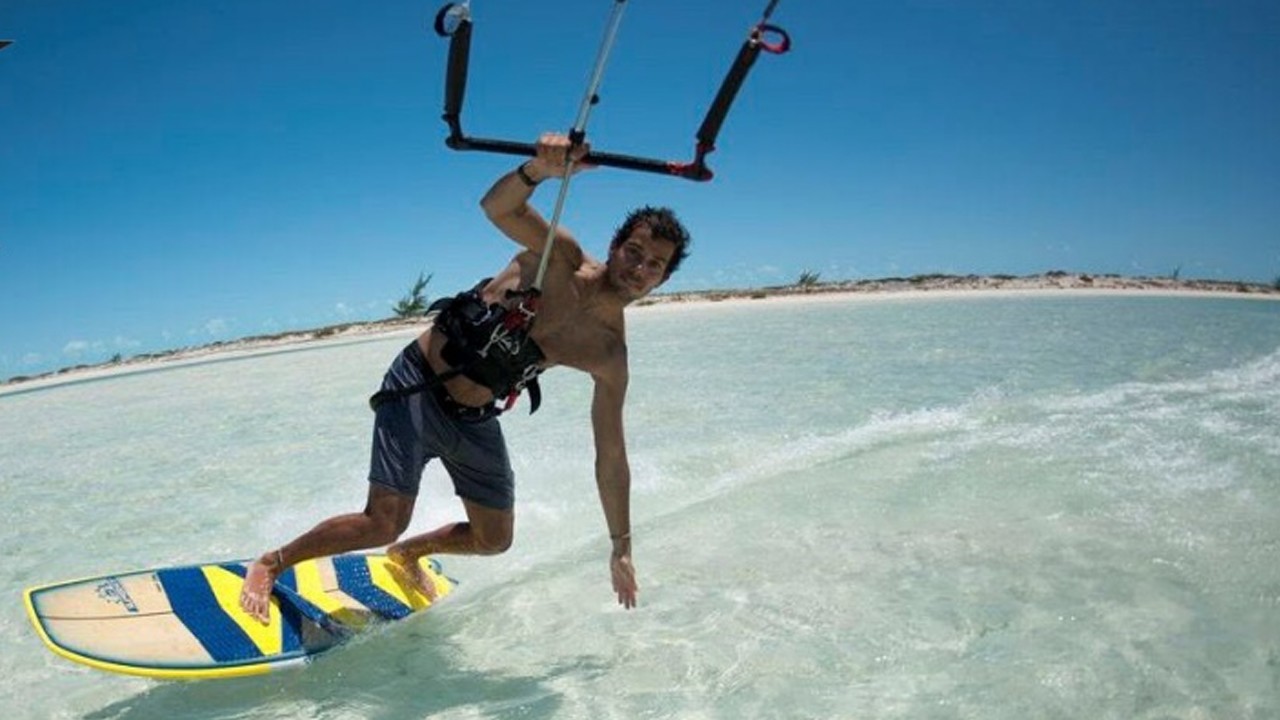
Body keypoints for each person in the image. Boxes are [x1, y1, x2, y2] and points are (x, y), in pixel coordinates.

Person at [238, 132, 691, 622]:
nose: (639, 268)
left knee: (495, 539)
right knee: (382, 521)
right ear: (616, 245)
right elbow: (498, 207)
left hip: (472, 417)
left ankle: (409, 554)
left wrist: (620, 545)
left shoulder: (608, 353)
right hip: (419, 383)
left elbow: (612, 455)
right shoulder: (558, 256)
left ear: (663, 279)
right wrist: (538, 170)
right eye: (635, 251)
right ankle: (272, 562)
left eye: (654, 265)